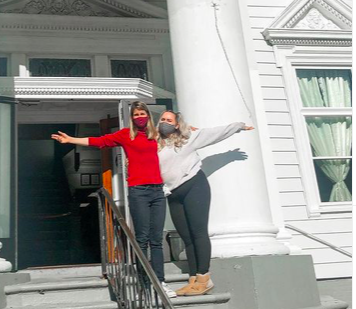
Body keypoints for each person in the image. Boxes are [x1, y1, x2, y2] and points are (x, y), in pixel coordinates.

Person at [52, 101, 177, 298]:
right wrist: (71, 140)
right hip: (138, 191)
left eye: (142, 113)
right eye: (136, 115)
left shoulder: (157, 134)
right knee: (142, 239)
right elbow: (99, 141)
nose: (139, 117)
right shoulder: (125, 135)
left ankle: (160, 282)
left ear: (148, 115)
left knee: (156, 240)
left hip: (157, 191)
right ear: (131, 117)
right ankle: (144, 283)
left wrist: (189, 128)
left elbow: (179, 132)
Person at [157, 110, 253, 296]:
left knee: (198, 232)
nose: (165, 122)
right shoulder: (155, 144)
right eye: (162, 119)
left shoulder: (187, 138)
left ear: (177, 125)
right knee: (186, 237)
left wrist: (238, 126)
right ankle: (193, 279)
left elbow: (213, 134)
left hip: (194, 187)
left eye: (169, 120)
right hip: (173, 193)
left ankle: (204, 279)